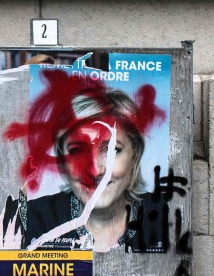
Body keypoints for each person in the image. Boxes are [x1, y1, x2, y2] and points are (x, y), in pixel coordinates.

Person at [21, 86, 156, 252]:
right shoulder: (33, 220)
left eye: (112, 149)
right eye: (77, 151)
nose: (94, 170)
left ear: (134, 155)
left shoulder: (165, 215)